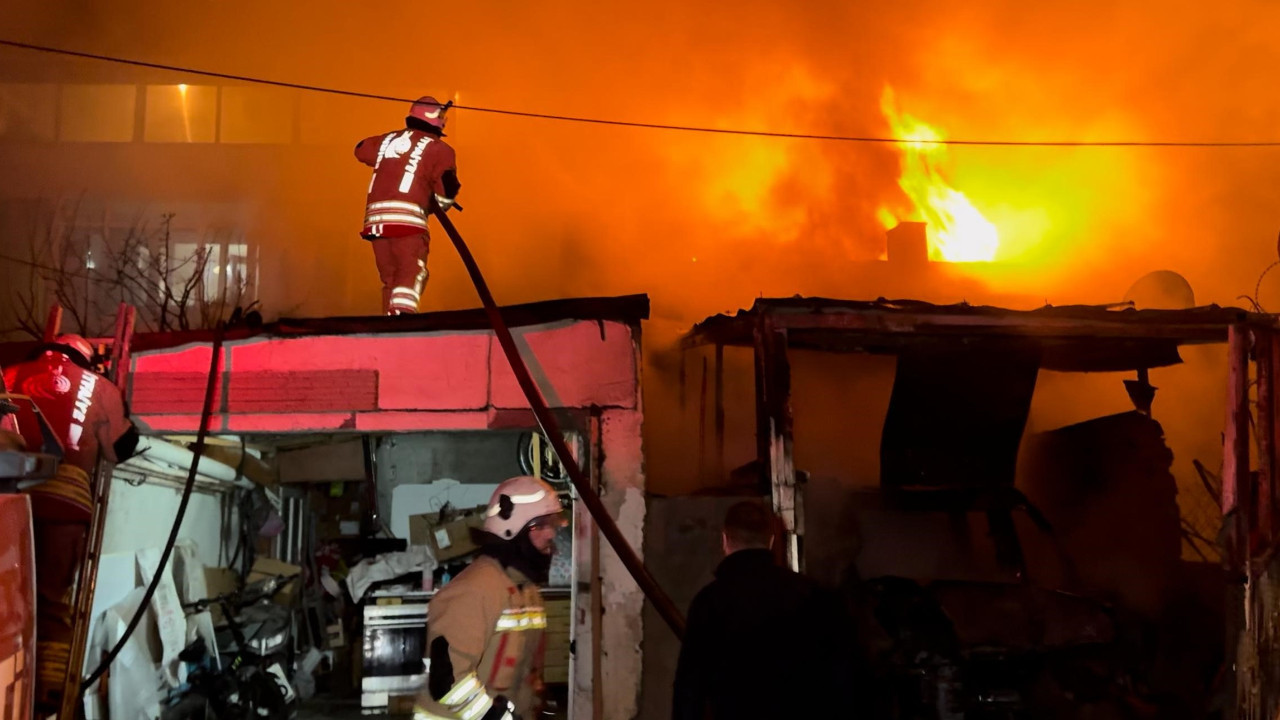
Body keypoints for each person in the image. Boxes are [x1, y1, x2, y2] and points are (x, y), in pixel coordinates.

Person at [3, 334, 139, 714]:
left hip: (10, 495)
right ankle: (47, 696)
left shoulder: (9, 373)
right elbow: (122, 447)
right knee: (52, 602)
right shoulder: (101, 386)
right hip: (65, 501)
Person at [672, 500, 856, 719]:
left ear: (724, 539)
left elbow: (689, 690)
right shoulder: (812, 595)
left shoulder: (709, 602)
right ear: (770, 540)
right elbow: (845, 678)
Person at [416, 476, 565, 720]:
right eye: (541, 525)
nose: (551, 535)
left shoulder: (527, 592)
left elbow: (525, 671)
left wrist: (537, 703)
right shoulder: (474, 590)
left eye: (554, 524)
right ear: (511, 531)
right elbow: (447, 680)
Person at [354, 95, 461, 315]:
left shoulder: (388, 140)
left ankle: (389, 322)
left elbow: (361, 148)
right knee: (412, 271)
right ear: (434, 118)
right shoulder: (440, 149)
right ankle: (403, 320)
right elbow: (447, 188)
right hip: (407, 222)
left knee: (391, 278)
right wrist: (440, 204)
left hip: (376, 224)